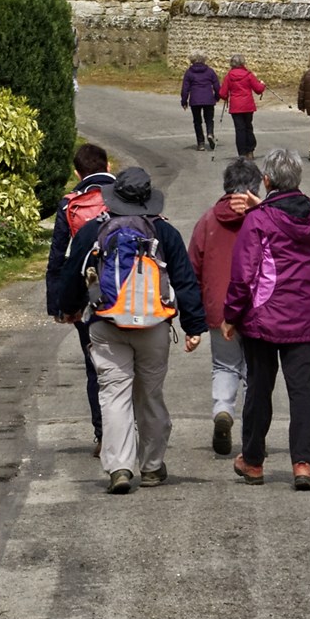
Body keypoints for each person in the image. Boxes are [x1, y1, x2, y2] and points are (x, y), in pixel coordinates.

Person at [47, 165, 206, 492]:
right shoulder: (165, 233)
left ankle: (119, 467)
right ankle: (151, 466)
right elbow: (186, 281)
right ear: (149, 200)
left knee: (114, 394)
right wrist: (194, 326)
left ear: (114, 197)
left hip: (107, 324)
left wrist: (70, 309)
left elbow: (71, 272)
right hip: (153, 327)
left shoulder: (94, 230)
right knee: (150, 395)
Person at [221, 144, 310, 489]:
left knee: (259, 389)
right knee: (304, 394)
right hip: (307, 314)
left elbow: (243, 275)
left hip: (264, 318)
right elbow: (284, 219)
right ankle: (303, 464)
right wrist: (262, 205)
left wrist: (231, 316)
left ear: (265, 180)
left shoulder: (258, 220)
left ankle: (253, 461)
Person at [188, 157, 263, 457]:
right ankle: (251, 432)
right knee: (256, 371)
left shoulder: (208, 219)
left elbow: (192, 266)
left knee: (224, 365)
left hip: (219, 309)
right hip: (259, 308)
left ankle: (223, 410)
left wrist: (193, 316)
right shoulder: (264, 217)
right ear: (256, 187)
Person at [45, 143, 119, 444]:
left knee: (95, 367)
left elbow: (58, 258)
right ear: (109, 167)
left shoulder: (69, 204)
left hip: (87, 295)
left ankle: (102, 434)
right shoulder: (127, 197)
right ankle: (131, 428)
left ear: (78, 173)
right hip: (129, 290)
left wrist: (58, 306)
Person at [222, 54, 266, 158]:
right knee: (248, 127)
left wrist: (226, 97)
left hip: (236, 107)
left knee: (239, 130)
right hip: (247, 106)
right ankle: (250, 150)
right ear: (243, 63)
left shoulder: (229, 76)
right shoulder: (248, 75)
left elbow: (222, 93)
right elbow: (258, 89)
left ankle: (241, 153)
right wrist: (262, 84)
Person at [179, 53, 222, 152]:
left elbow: (185, 89)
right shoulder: (210, 71)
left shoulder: (189, 72)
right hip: (208, 99)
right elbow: (217, 86)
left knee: (197, 122)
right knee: (209, 119)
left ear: (192, 61)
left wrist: (184, 101)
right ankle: (210, 133)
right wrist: (217, 97)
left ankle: (201, 143)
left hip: (195, 100)